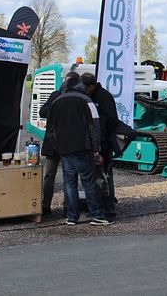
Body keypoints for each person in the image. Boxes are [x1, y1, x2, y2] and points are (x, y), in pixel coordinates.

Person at [46, 77, 111, 226]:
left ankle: (72, 216)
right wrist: (96, 148)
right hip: (82, 147)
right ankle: (97, 215)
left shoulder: (56, 102)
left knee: (69, 183)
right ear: (80, 86)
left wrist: (57, 146)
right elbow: (95, 125)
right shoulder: (86, 100)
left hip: (64, 149)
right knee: (88, 182)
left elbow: (50, 128)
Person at [39, 71, 80, 215]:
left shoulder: (57, 95)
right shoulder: (65, 96)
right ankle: (54, 206)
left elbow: (42, 112)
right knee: (64, 176)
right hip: (63, 142)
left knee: (54, 175)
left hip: (55, 141)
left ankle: (61, 206)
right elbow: (42, 112)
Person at [81, 72, 120, 221]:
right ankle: (101, 206)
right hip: (97, 141)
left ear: (91, 86)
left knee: (104, 176)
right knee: (98, 176)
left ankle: (108, 208)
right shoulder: (94, 96)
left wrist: (100, 135)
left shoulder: (103, 97)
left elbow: (112, 120)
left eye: (86, 88)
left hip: (103, 143)